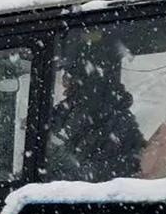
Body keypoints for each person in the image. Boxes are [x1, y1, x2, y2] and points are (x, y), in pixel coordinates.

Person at [45, 37, 145, 182]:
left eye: (68, 75)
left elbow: (98, 176)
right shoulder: (69, 111)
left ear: (85, 78)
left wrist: (52, 157)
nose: (64, 82)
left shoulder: (115, 121)